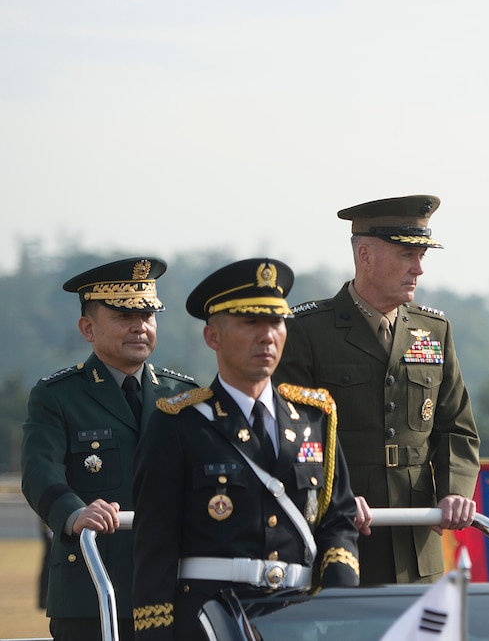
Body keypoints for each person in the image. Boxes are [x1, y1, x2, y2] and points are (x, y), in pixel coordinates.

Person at [131, 258, 360, 639]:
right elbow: (154, 552)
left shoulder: (314, 419)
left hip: (299, 621)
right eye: (251, 323)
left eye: (276, 322)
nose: (267, 335)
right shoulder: (178, 425)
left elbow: (338, 521)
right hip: (211, 621)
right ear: (213, 337)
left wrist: (338, 600)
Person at [276, 194, 480, 584]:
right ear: (365, 256)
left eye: (422, 256)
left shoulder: (433, 330)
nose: (419, 269)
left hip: (417, 546)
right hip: (339, 541)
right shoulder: (306, 332)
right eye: (407, 255)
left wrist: (454, 491)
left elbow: (456, 426)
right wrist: (330, 495)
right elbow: (290, 433)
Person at [21, 257, 199, 641]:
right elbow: (39, 473)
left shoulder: (185, 396)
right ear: (87, 327)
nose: (140, 326)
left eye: (148, 315)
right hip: (92, 591)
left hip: (174, 591)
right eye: (123, 316)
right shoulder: (57, 397)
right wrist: (75, 514)